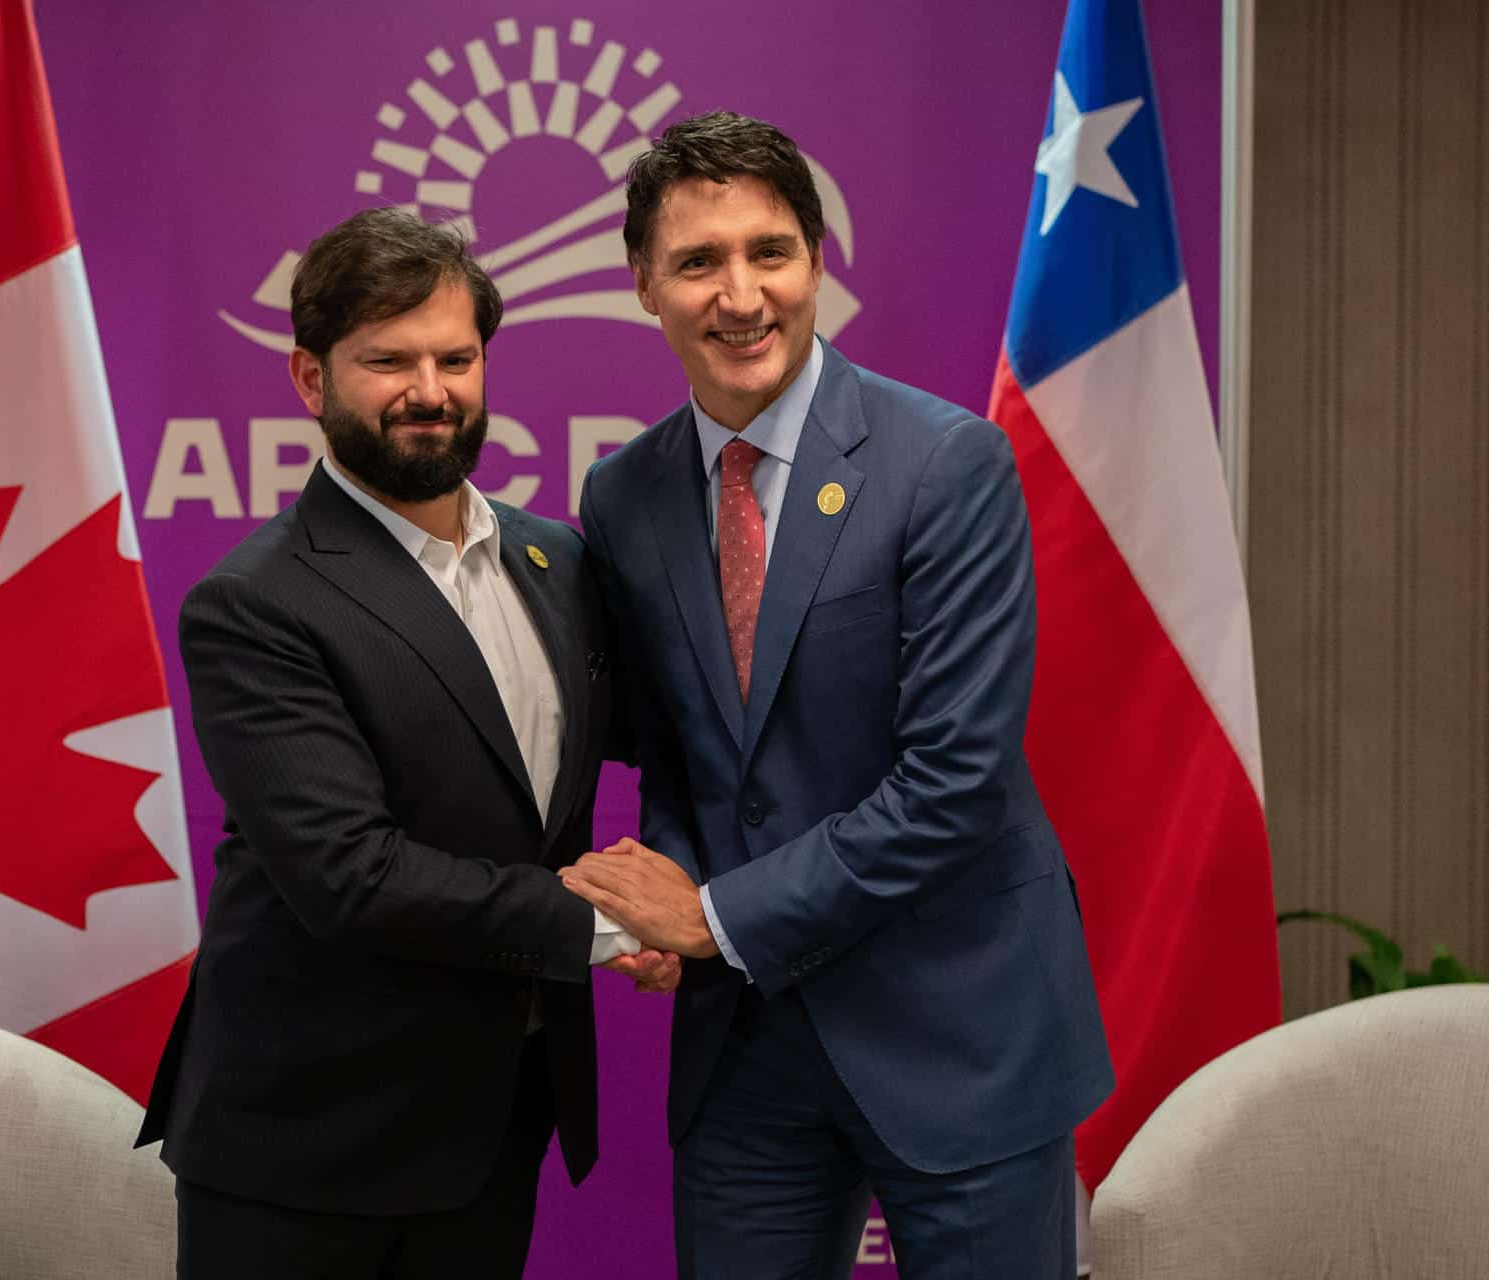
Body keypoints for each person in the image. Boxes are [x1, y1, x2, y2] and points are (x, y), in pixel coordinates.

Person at [562, 112, 1114, 1279]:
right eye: (698, 261)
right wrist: (664, 894)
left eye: (770, 251)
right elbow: (680, 752)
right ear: (643, 286)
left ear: (817, 262)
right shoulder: (622, 494)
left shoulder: (946, 464)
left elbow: (952, 783)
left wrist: (707, 916)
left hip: (958, 1024)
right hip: (748, 1046)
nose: (741, 294)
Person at [137, 207, 672, 1280]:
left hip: (492, 1122)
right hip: (305, 1144)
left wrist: (702, 895)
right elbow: (351, 874)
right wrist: (614, 926)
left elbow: (642, 755)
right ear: (309, 377)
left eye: (455, 357)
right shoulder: (254, 602)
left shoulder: (554, 560)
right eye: (387, 359)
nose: (430, 389)